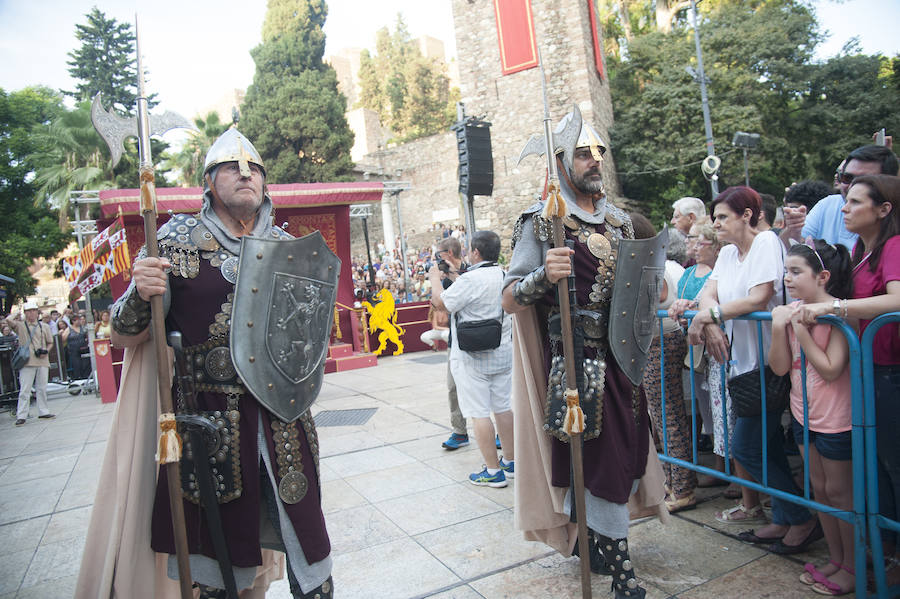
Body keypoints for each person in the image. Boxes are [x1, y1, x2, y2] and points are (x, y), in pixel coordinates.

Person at [76, 129, 332, 599]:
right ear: (209, 182)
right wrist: (140, 289)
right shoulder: (174, 241)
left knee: (310, 562)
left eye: (254, 167)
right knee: (217, 570)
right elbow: (123, 333)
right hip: (210, 424)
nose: (246, 173)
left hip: (285, 424)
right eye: (232, 167)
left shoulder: (287, 245)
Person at [502, 113, 662, 599]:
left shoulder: (618, 221)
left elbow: (642, 290)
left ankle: (598, 542)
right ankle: (622, 572)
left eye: (599, 153)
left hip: (621, 363)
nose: (594, 162)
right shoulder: (541, 221)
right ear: (560, 161)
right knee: (597, 463)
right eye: (582, 153)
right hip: (575, 364)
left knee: (623, 458)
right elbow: (509, 298)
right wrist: (542, 277)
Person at [688, 186, 822, 552]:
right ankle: (782, 517)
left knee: (746, 447)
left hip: (768, 360)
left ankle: (802, 517)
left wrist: (710, 315)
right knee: (765, 446)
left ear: (747, 215)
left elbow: (759, 297)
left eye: (722, 218)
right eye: (714, 219)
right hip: (740, 364)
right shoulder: (729, 252)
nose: (716, 225)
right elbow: (708, 293)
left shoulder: (765, 244)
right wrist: (710, 318)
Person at [797, 174, 900, 587]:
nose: (844, 208)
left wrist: (837, 307)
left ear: (884, 209)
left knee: (893, 468)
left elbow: (896, 299)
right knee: (878, 470)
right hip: (869, 370)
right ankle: (883, 555)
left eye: (855, 201)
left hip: (890, 371)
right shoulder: (860, 249)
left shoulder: (892, 246)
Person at [769, 240, 855, 595]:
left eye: (795, 272)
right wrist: (779, 326)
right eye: (786, 271)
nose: (787, 279)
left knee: (840, 492)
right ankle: (835, 559)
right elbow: (780, 366)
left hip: (837, 418)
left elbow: (832, 369)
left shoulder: (837, 315)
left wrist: (800, 328)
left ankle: (851, 564)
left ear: (821, 276)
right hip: (804, 413)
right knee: (819, 490)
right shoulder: (792, 313)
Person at [429, 230, 514, 487]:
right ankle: (511, 462)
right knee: (502, 408)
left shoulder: (470, 280)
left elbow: (440, 303)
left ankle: (492, 470)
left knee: (479, 413)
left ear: (475, 252)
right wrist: (455, 275)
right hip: (502, 351)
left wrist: (435, 279)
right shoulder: (505, 274)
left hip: (471, 357)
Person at [669, 220, 729, 490]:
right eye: (690, 239)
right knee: (706, 407)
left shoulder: (720, 272)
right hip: (694, 350)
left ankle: (729, 471)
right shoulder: (689, 272)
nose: (691, 244)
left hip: (718, 349)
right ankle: (721, 467)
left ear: (715, 245)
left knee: (724, 410)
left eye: (697, 239)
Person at [782, 145, 899, 251]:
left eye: (865, 180)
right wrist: (793, 229)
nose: (853, 186)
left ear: (884, 209)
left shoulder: (894, 247)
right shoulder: (828, 205)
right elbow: (790, 251)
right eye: (847, 177)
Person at [434, 236, 471, 450]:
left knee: (483, 387)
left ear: (448, 253)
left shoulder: (471, 273)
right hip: (455, 340)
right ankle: (459, 431)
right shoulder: (445, 278)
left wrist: (437, 280)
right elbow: (440, 306)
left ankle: (497, 432)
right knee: (453, 386)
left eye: (439, 255)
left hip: (477, 338)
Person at [12, 301, 55, 426]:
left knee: (42, 388)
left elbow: (50, 342)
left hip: (42, 360)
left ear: (37, 312)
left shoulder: (44, 326)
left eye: (34, 310)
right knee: (25, 389)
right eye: (28, 311)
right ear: (25, 313)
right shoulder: (21, 326)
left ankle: (43, 411)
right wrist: (17, 312)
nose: (32, 313)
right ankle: (22, 415)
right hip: (27, 361)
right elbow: (8, 321)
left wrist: (46, 351)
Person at [65, 313, 91, 380]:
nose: (79, 321)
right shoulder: (69, 329)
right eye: (77, 320)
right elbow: (63, 338)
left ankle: (86, 377)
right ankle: (78, 377)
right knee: (77, 365)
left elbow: (87, 336)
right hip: (74, 350)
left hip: (83, 349)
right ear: (73, 321)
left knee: (86, 365)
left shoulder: (83, 328)